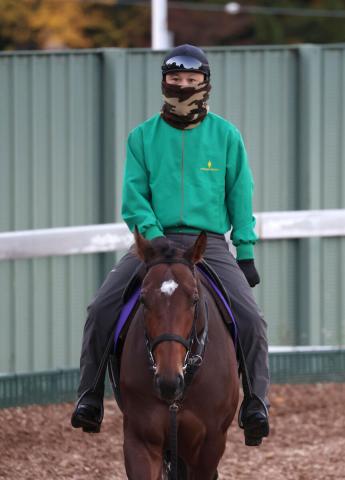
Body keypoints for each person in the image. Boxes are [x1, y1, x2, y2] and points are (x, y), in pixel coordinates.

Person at [71, 44, 270, 446]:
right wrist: (153, 236)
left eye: (191, 81)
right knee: (101, 308)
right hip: (153, 244)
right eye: (175, 80)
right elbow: (133, 197)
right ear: (164, 82)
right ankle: (90, 396)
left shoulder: (227, 136)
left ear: (205, 84)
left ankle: (255, 403)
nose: (182, 87)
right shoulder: (141, 137)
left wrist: (244, 250)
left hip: (207, 244)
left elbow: (241, 195)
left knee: (251, 320)